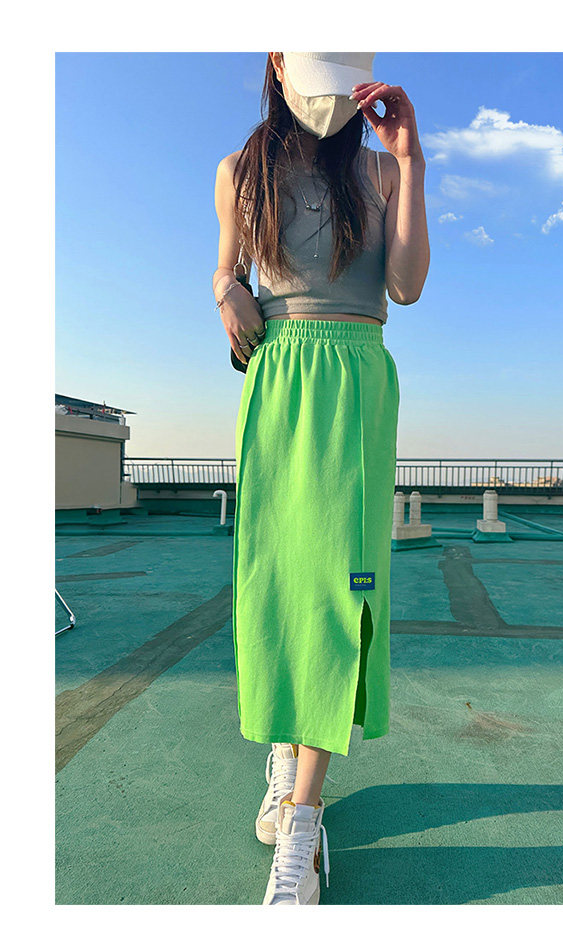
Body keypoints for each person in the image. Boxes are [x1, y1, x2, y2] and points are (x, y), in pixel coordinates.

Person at [212, 52, 429, 905]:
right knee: (277, 584)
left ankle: (303, 825)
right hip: (279, 380)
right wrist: (224, 288)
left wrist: (410, 160)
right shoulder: (239, 172)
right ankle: (286, 754)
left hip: (357, 377)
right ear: (279, 63)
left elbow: (406, 285)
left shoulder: (378, 169)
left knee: (342, 590)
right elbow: (227, 266)